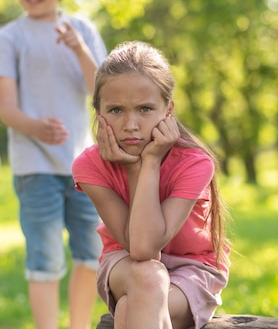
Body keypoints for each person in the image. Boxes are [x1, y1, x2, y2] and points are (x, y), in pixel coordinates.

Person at [0, 0, 107, 329]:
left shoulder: (83, 30)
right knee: (45, 258)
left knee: (92, 254)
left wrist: (78, 48)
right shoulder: (9, 37)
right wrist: (35, 127)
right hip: (34, 168)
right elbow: (6, 109)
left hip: (85, 169)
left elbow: (101, 92)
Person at [72, 41, 230, 329]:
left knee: (129, 311)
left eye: (145, 109)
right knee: (148, 275)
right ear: (98, 112)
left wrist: (150, 162)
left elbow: (146, 247)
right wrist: (137, 167)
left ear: (168, 110)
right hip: (123, 264)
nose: (131, 124)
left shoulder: (194, 163)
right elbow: (140, 250)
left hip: (192, 268)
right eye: (116, 110)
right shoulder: (89, 166)